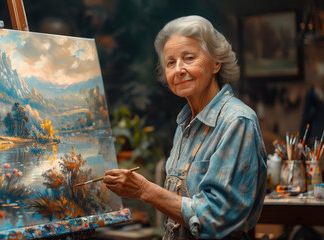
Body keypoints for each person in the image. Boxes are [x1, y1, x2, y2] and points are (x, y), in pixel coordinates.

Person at [103, 15, 267, 240]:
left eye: (189, 58)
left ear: (216, 62)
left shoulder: (237, 121)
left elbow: (217, 218)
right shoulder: (185, 123)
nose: (178, 69)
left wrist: (145, 190)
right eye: (170, 62)